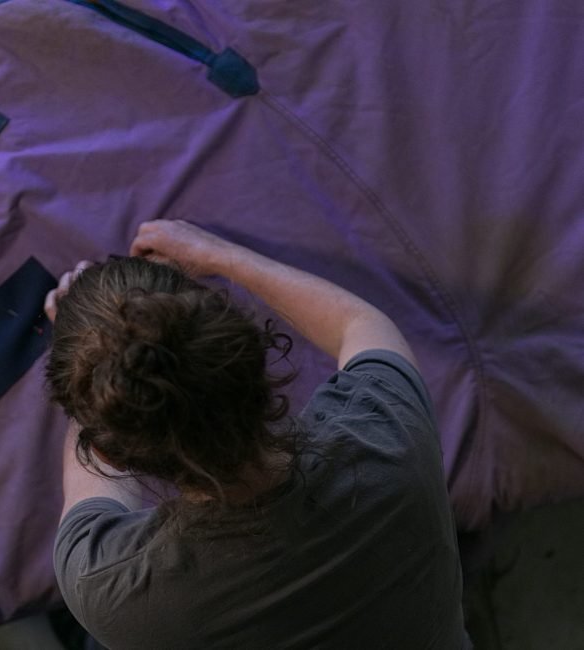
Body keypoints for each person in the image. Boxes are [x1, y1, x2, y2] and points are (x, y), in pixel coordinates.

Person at [47, 220, 470, 649]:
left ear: (107, 451)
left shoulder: (110, 590)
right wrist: (219, 255)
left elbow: (89, 497)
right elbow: (359, 323)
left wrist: (92, 356)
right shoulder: (393, 433)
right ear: (245, 349)